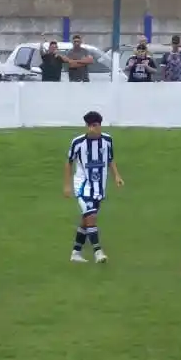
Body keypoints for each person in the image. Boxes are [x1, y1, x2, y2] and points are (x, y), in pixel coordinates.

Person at [64, 110, 124, 263]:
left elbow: (110, 159)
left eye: (94, 125)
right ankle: (98, 252)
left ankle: (76, 253)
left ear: (100, 126)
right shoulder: (78, 142)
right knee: (91, 217)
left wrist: (117, 175)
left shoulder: (107, 141)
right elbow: (69, 162)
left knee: (87, 220)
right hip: (83, 186)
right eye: (89, 126)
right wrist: (67, 185)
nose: (91, 128)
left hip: (99, 188)